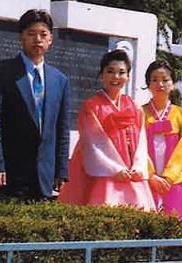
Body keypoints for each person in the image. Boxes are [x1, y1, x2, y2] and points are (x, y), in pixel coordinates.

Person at [0, 9, 70, 201]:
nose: (38, 39)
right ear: (21, 37)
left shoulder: (59, 80)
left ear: (50, 39)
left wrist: (61, 170)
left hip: (44, 179)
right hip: (8, 176)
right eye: (31, 34)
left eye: (43, 34)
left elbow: (62, 129)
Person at [58, 49, 154, 211]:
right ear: (101, 74)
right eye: (110, 71)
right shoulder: (92, 106)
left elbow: (141, 142)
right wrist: (114, 169)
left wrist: (138, 167)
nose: (116, 77)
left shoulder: (134, 107)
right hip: (102, 173)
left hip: (131, 173)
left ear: (128, 76)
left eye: (121, 72)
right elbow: (92, 144)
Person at [142, 60, 182, 219]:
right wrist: (150, 175)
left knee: (175, 223)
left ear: (173, 84)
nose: (160, 84)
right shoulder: (140, 113)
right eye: (154, 80)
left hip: (174, 182)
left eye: (165, 80)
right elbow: (136, 148)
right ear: (148, 84)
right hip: (147, 180)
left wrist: (169, 177)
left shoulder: (181, 115)